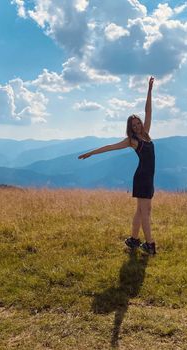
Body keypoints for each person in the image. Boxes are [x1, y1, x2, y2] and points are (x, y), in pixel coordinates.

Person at [78, 77, 156, 255]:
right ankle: (150, 244)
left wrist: (149, 90)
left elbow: (148, 111)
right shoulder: (132, 141)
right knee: (146, 212)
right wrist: (90, 152)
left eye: (138, 123)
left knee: (140, 210)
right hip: (142, 178)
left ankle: (134, 240)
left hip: (148, 177)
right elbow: (110, 147)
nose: (136, 126)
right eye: (133, 125)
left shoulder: (147, 134)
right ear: (130, 128)